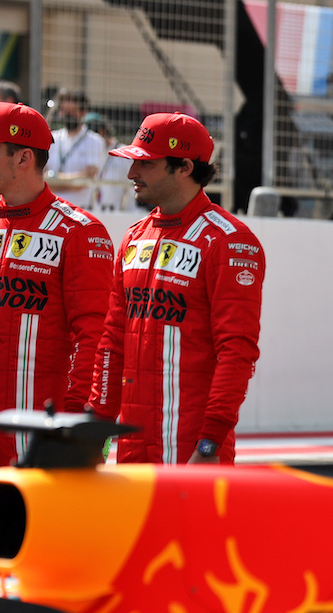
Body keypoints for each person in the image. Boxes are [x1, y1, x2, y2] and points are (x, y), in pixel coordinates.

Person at [0, 102, 116, 570]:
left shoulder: (80, 232)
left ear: (24, 157)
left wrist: (81, 426)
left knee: (41, 556)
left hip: (39, 422)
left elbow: (97, 339)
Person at [88, 113, 263, 465]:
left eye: (144, 164)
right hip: (133, 443)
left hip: (192, 446)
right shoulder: (135, 237)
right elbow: (111, 341)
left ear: (183, 167)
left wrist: (211, 440)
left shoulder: (229, 241)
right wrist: (97, 431)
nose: (131, 174)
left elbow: (237, 352)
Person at [47, 88, 107, 210]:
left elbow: (86, 180)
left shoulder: (95, 141)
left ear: (83, 112)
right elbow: (40, 179)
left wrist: (54, 179)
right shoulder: (52, 138)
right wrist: (73, 180)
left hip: (81, 211)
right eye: (64, 110)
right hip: (52, 209)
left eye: (73, 111)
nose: (68, 115)